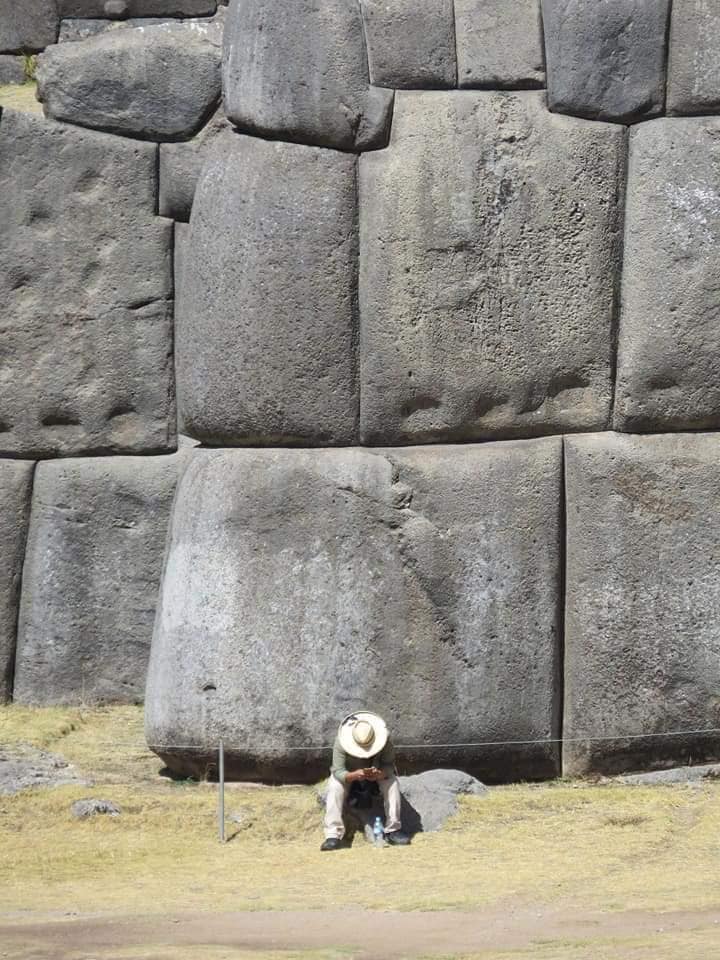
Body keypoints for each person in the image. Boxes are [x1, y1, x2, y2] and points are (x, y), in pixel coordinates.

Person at [321, 711, 411, 850]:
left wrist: (381, 774)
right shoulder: (341, 741)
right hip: (350, 775)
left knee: (391, 783)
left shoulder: (385, 740)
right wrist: (354, 775)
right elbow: (337, 770)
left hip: (376, 775)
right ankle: (333, 835)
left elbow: (389, 764)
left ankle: (393, 830)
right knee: (334, 786)